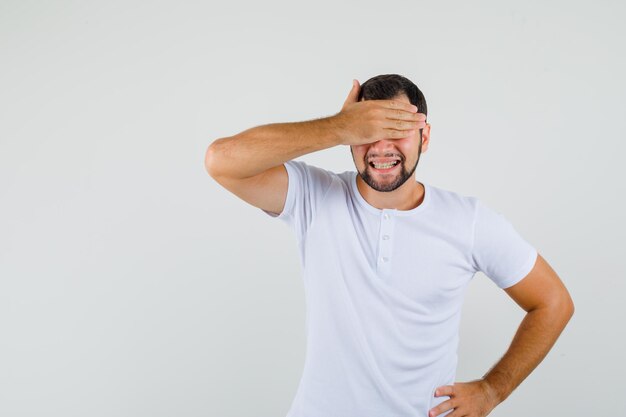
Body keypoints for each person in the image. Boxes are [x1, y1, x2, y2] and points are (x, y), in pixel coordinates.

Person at [204, 74, 575, 417]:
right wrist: (337, 126)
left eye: (397, 130)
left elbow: (553, 303)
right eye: (367, 131)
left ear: (424, 137)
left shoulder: (470, 221)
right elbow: (221, 161)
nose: (381, 148)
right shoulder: (313, 196)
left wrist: (492, 391)